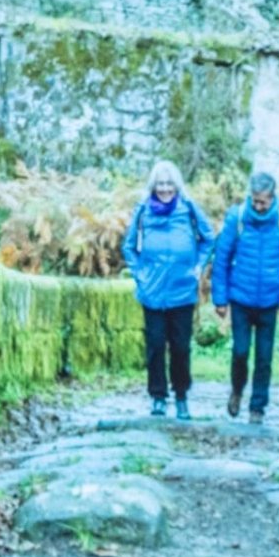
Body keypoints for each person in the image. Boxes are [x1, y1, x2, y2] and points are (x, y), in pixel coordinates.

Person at [121, 159, 214, 420]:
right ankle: (158, 397)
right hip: (152, 292)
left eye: (169, 184)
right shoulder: (143, 211)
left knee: (181, 347)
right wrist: (140, 275)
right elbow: (128, 246)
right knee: (155, 346)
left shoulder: (188, 208)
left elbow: (208, 238)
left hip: (182, 290)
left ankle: (181, 396)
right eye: (160, 184)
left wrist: (198, 267)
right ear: (153, 186)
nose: (164, 189)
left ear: (177, 185)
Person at [211, 171, 279, 426]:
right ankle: (237, 390)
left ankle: (258, 407)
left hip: (270, 300)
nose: (258, 206)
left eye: (263, 201)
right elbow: (222, 258)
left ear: (272, 198)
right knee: (240, 351)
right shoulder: (237, 218)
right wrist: (220, 299)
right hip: (241, 297)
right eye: (255, 200)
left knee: (264, 357)